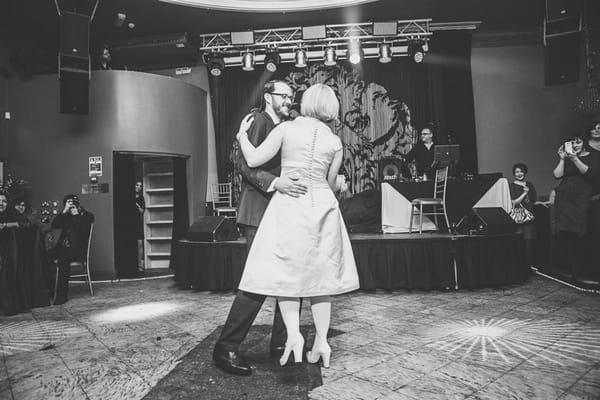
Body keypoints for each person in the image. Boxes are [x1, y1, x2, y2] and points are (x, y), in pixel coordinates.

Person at [235, 83, 360, 368]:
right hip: (324, 207)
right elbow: (330, 184)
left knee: (286, 272)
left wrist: (242, 135)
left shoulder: (287, 129)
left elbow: (252, 159)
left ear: (305, 103)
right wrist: (339, 184)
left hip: (291, 204)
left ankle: (293, 336)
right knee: (321, 278)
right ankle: (322, 343)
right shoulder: (335, 142)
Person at [212, 80, 309, 376]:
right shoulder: (258, 120)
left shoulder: (284, 125)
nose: (288, 100)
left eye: (291, 96)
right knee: (257, 282)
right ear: (268, 96)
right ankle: (225, 348)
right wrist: (275, 182)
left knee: (291, 280)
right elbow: (242, 163)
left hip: (280, 213)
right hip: (258, 213)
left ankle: (281, 344)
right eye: (283, 95)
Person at [552, 135, 597, 281]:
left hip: (581, 199)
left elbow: (589, 174)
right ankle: (574, 270)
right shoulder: (567, 158)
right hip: (564, 200)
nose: (575, 145)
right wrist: (562, 158)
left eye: (578, 142)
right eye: (572, 142)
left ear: (584, 143)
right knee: (567, 234)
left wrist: (574, 159)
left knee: (581, 233)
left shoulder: (593, 156)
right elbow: (557, 175)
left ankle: (585, 270)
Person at [47, 194, 94, 305]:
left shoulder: (87, 216)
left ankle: (61, 296)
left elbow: (83, 232)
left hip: (76, 250)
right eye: (68, 202)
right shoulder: (66, 216)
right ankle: (50, 289)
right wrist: (64, 211)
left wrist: (76, 216)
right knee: (45, 256)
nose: (71, 204)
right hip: (61, 247)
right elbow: (54, 225)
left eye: (72, 202)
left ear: (78, 202)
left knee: (63, 260)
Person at [509, 163, 537, 266]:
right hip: (519, 218)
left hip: (529, 218)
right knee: (519, 242)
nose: (519, 174)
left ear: (525, 172)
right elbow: (514, 202)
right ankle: (520, 266)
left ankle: (529, 266)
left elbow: (533, 200)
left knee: (529, 243)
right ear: (514, 173)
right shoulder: (511, 186)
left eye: (521, 171)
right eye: (517, 172)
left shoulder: (529, 184)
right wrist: (524, 193)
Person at [135, 181, 145, 272]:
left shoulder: (141, 198)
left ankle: (140, 265)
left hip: (138, 223)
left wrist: (136, 205)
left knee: (139, 244)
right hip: (131, 224)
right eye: (137, 185)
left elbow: (142, 211)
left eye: (140, 186)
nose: (139, 187)